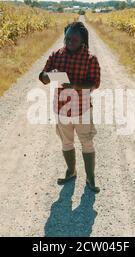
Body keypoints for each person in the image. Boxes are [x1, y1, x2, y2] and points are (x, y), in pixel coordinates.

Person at [39, 21, 101, 193]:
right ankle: (71, 171)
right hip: (61, 109)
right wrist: (48, 76)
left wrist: (74, 85)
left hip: (83, 110)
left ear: (83, 40)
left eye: (74, 40)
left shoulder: (90, 59)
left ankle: (90, 177)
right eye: (67, 39)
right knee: (66, 142)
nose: (70, 42)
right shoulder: (56, 55)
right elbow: (43, 76)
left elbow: (95, 83)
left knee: (87, 143)